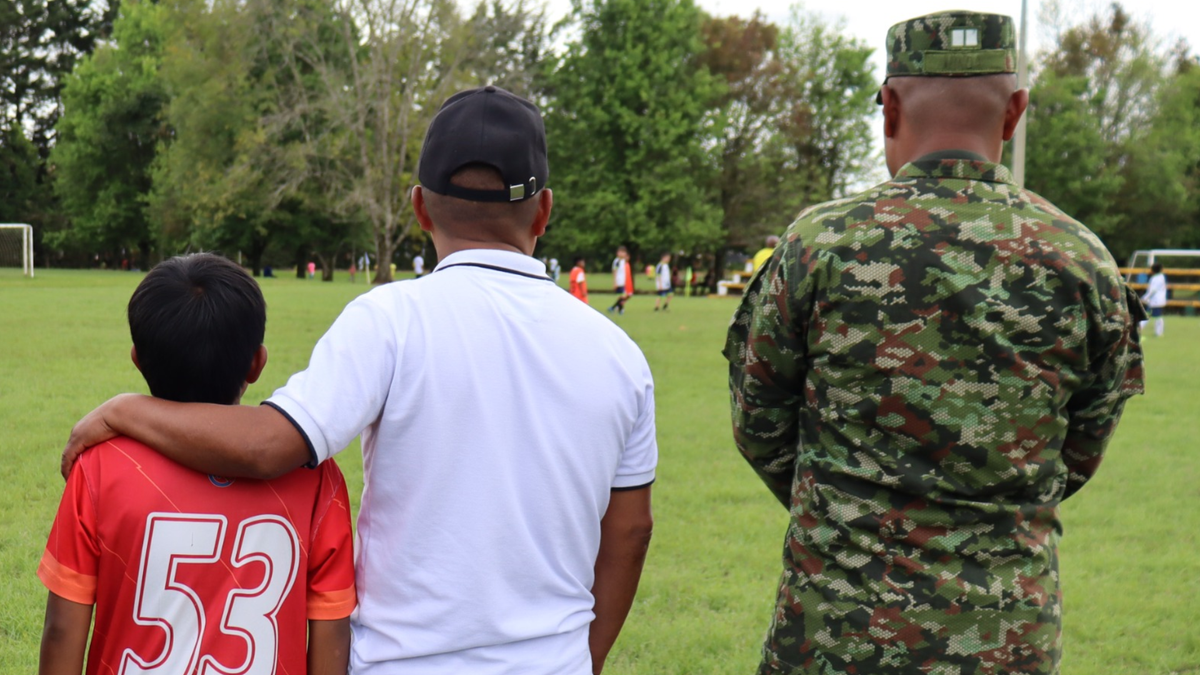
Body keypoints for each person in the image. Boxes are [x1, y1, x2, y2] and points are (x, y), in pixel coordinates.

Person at [61, 86, 657, 675]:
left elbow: (267, 447)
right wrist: (582, 658)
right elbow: (630, 532)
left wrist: (124, 410)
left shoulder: (390, 319)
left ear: (419, 207)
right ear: (544, 211)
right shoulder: (621, 356)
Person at [724, 11, 1145, 675]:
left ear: (889, 106)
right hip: (1005, 639)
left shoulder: (818, 246)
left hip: (835, 634)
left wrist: (851, 509)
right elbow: (1080, 450)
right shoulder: (1083, 262)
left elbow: (759, 425)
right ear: (1014, 113)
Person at [39, 253, 356, 675]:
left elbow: (63, 629)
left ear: (137, 357)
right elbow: (332, 631)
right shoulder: (315, 477)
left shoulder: (99, 466)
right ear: (257, 363)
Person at [1142, 261, 1168, 337]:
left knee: (1149, 316)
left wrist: (1144, 298)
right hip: (1159, 301)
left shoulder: (1155, 278)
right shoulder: (1162, 277)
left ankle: (1139, 329)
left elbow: (1152, 290)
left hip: (1155, 301)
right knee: (1157, 317)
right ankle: (1158, 333)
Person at [607, 246, 633, 315]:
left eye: (624, 252)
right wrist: (615, 282)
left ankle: (614, 308)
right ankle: (619, 309)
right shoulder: (617, 261)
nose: (622, 254)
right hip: (619, 281)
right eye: (621, 252)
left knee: (623, 296)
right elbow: (614, 271)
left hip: (623, 281)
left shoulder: (623, 261)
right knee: (622, 296)